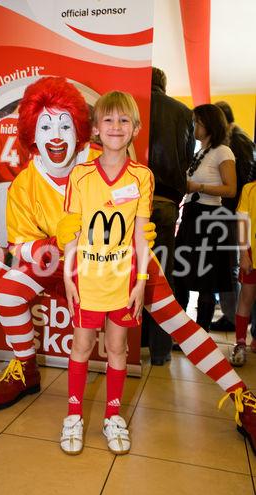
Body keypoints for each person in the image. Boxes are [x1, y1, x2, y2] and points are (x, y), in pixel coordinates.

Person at [0, 76, 256, 455]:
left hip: (126, 262)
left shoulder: (101, 158)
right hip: (65, 261)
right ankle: (26, 369)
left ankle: (240, 396)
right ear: (32, 132)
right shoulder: (25, 185)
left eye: (64, 124)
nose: (56, 135)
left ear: (81, 128)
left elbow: (134, 205)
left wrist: (139, 236)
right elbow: (22, 246)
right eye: (46, 125)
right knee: (7, 291)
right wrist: (59, 249)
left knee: (177, 322)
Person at [60, 91, 152, 455]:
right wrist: (68, 275)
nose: (116, 127)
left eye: (124, 120)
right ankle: (73, 415)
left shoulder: (142, 177)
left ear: (135, 128)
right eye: (108, 120)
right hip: (86, 280)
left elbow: (142, 237)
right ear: (96, 128)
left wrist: (142, 281)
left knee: (117, 349)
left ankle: (113, 416)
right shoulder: (80, 175)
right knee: (81, 347)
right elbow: (73, 232)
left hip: (124, 281)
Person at [142, 67, 195, 365]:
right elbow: (187, 158)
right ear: (164, 84)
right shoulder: (184, 112)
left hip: (134, 201)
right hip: (166, 202)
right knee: (164, 277)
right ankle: (160, 353)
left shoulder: (134, 103)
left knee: (126, 273)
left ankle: (124, 345)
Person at [174, 104, 236, 332]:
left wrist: (197, 186)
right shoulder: (199, 152)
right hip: (191, 216)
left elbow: (230, 189)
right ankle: (183, 332)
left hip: (209, 219)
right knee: (180, 275)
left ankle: (201, 333)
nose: (193, 126)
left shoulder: (223, 151)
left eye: (196, 122)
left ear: (209, 124)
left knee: (206, 281)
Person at [210, 101, 256, 332]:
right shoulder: (236, 139)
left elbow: (245, 177)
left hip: (233, 213)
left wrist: (235, 205)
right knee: (229, 266)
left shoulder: (237, 141)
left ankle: (233, 316)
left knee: (231, 267)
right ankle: (233, 315)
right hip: (230, 212)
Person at [0, 105, 31, 248]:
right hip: (21, 188)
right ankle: (18, 269)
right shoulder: (28, 127)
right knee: (24, 238)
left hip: (1, 186)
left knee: (1, 239)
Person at [229, 177, 256, 366]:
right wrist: (244, 254)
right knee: (246, 298)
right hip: (252, 255)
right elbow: (242, 223)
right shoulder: (249, 189)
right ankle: (240, 343)